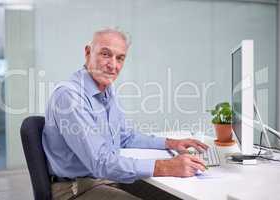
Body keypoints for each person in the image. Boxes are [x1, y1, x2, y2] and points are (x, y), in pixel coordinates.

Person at [42, 28, 208, 200]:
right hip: (75, 190)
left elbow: (126, 137)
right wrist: (166, 166)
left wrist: (171, 143)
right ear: (88, 52)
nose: (113, 65)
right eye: (106, 54)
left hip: (105, 180)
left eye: (120, 58)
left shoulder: (106, 90)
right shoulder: (70, 96)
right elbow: (101, 162)